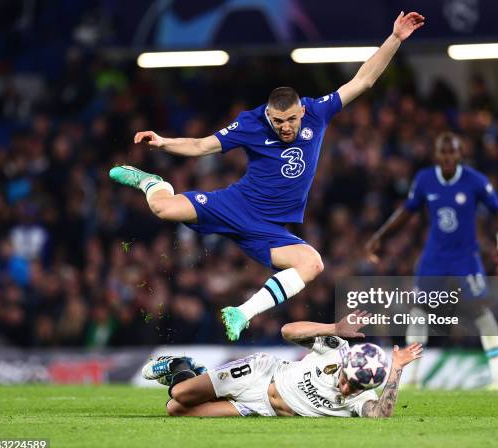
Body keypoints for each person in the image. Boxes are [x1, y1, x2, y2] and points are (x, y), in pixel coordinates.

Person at [108, 11, 425, 341]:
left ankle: (242, 312)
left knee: (312, 264)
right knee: (162, 209)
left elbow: (363, 80)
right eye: (278, 121)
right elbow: (202, 146)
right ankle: (151, 182)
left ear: (302, 110)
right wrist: (163, 142)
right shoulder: (251, 123)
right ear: (268, 115)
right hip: (235, 205)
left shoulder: (318, 112)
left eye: (291, 120)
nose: (285, 127)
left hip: (268, 228)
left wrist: (395, 38)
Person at [365, 132, 498, 390]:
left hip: (466, 257)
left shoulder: (474, 181)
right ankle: (412, 378)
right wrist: (380, 236)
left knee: (479, 310)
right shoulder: (425, 180)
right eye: (443, 152)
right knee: (420, 310)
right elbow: (406, 212)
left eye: (452, 152)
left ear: (460, 154)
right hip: (435, 257)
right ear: (436, 155)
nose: (447, 157)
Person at [142, 311, 423, 418]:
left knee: (175, 410)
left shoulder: (362, 397)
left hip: (258, 407)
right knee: (179, 394)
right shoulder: (337, 351)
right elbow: (288, 331)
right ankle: (179, 364)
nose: (348, 388)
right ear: (347, 363)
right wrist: (334, 326)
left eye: (356, 386)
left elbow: (380, 416)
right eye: (348, 379)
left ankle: (194, 374)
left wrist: (396, 370)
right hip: (260, 374)